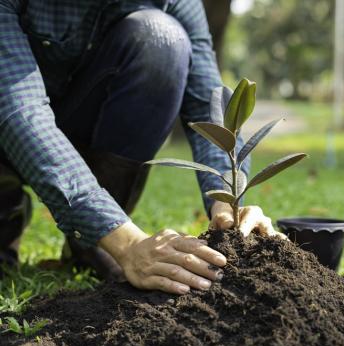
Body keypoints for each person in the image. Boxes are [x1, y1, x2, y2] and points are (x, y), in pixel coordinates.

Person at [0, 0, 278, 295]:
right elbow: (19, 113)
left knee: (162, 38)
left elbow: (205, 103)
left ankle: (94, 246)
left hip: (76, 119)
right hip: (9, 128)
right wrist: (130, 242)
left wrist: (227, 199)